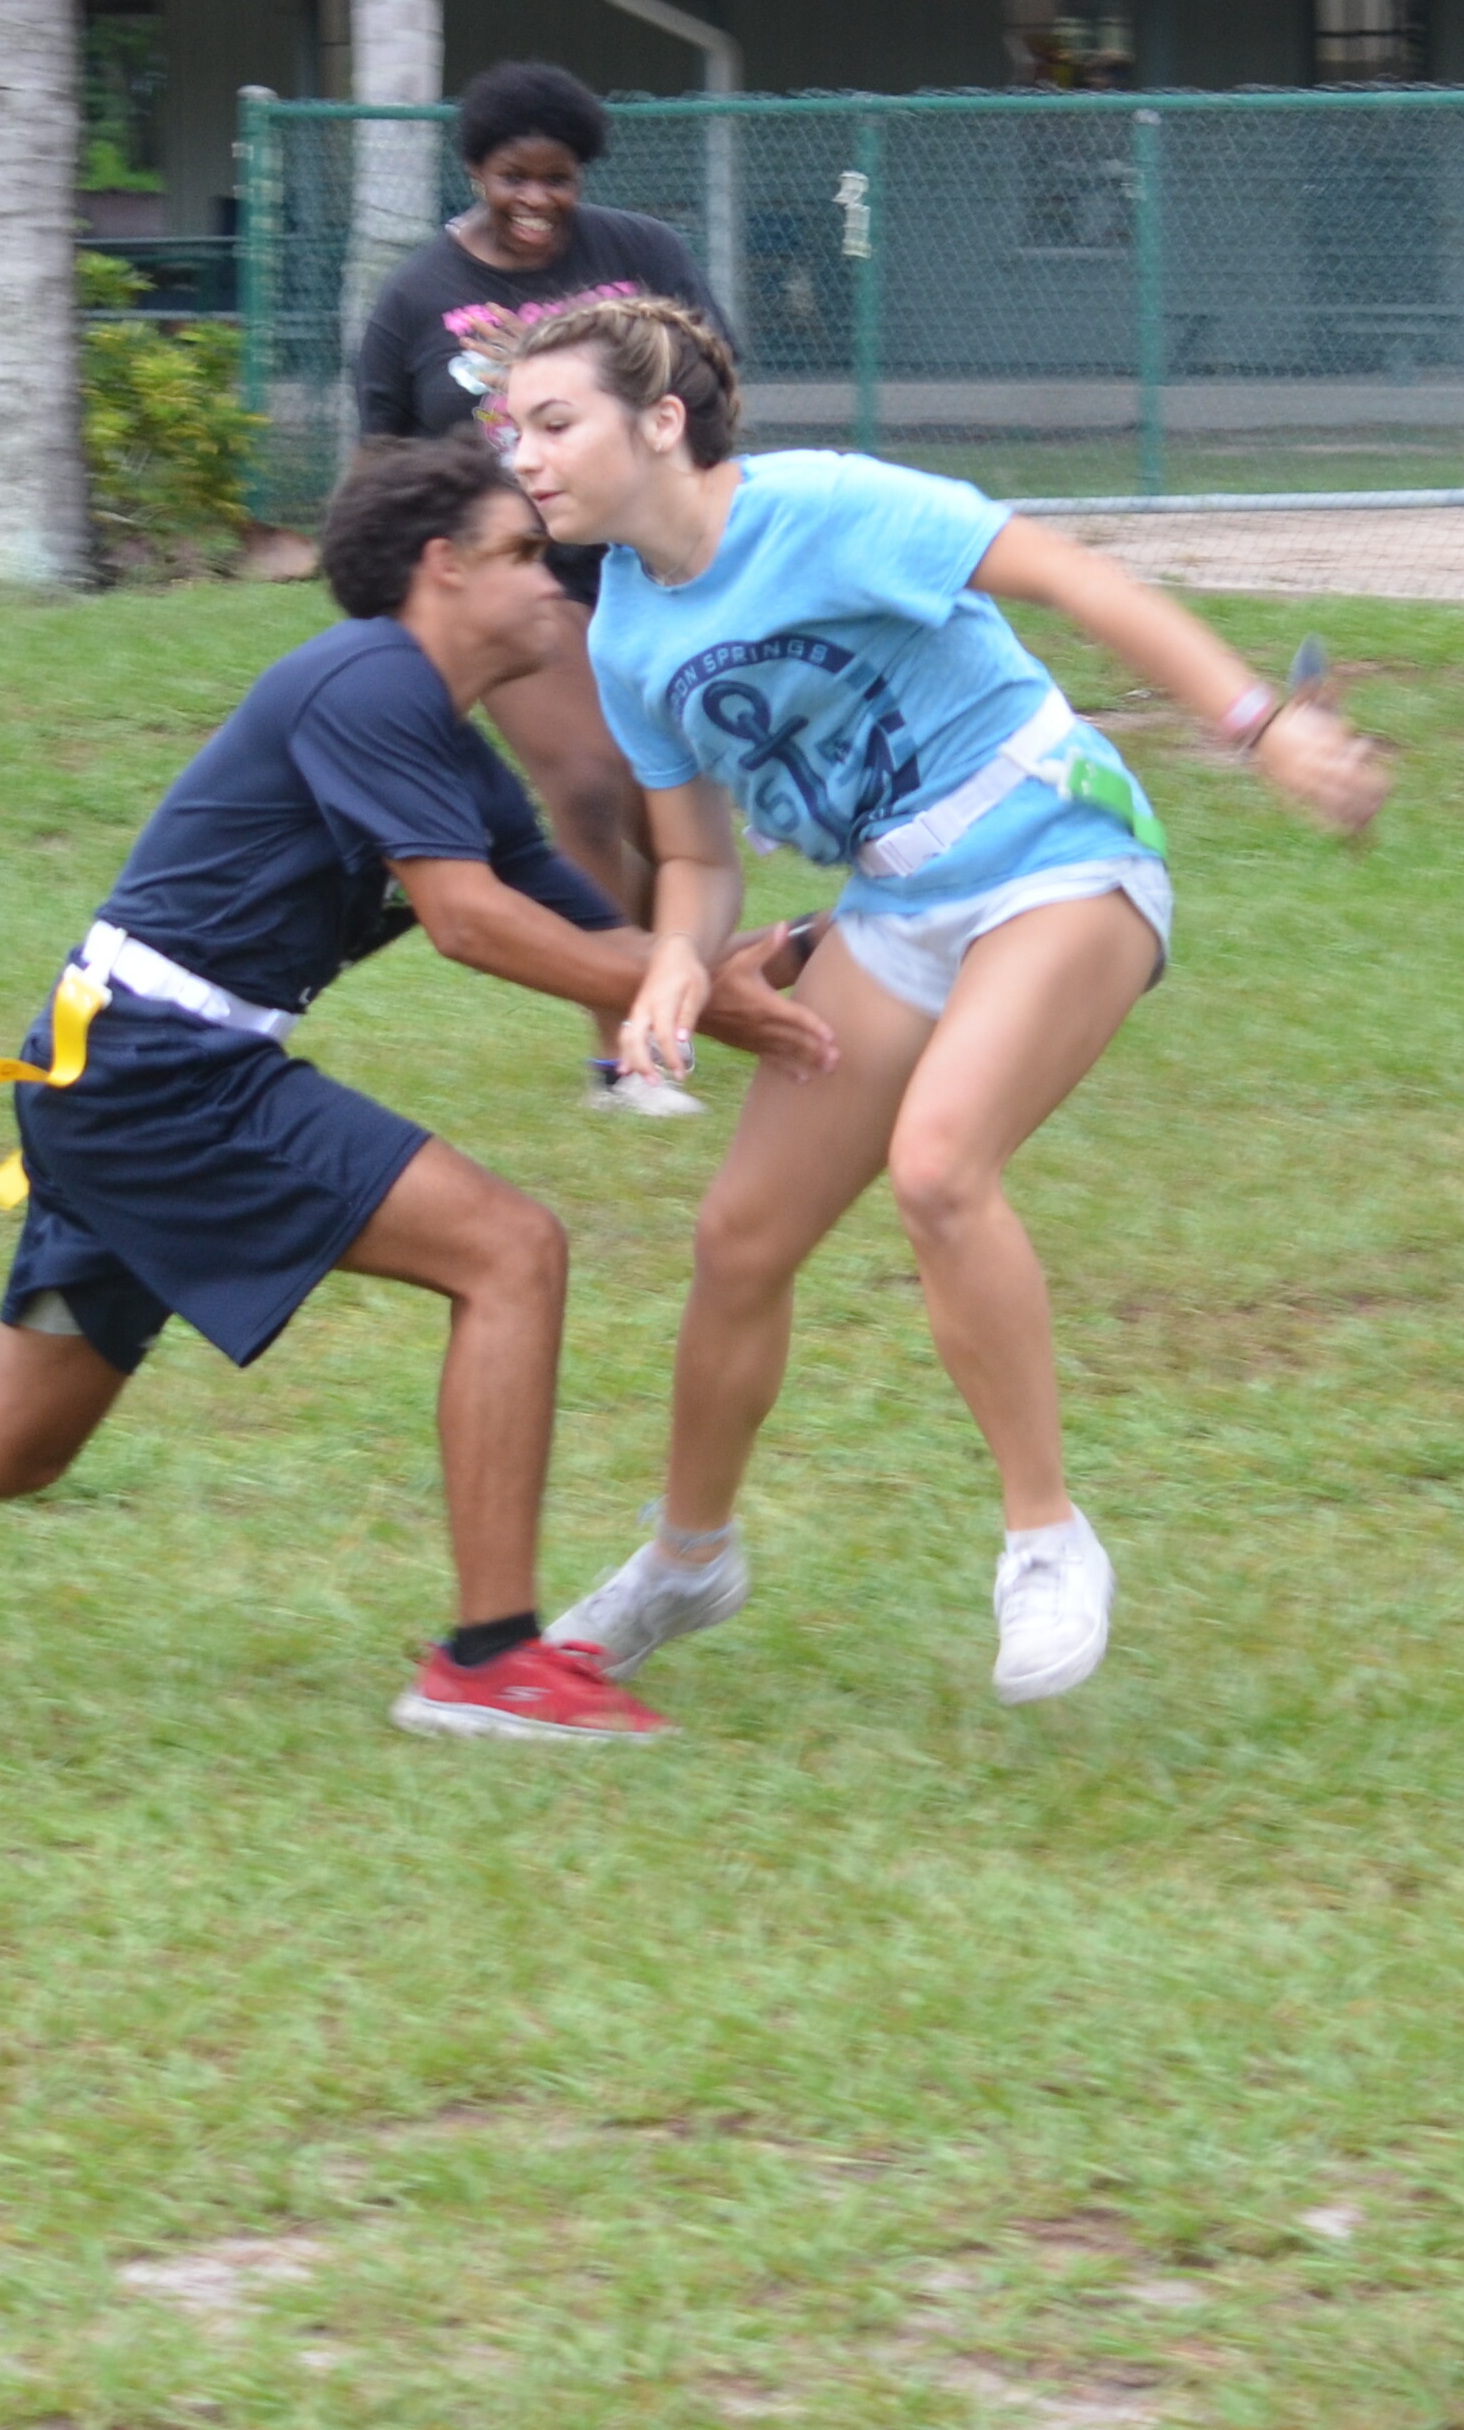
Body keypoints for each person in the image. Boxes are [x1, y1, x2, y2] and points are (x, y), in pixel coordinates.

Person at [0, 438, 836, 1746]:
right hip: (160, 1073)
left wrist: (808, 952)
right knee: (509, 1249)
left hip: (117, 1074)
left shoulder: (448, 750)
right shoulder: (367, 681)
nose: (558, 584)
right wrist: (700, 993)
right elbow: (471, 924)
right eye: (525, 555)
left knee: (9, 1442)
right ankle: (486, 1664)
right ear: (442, 565)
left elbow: (622, 953)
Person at [485, 295, 1391, 1705]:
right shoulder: (626, 636)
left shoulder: (825, 507)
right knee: (738, 1238)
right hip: (895, 906)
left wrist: (1260, 730)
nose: (523, 458)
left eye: (553, 424)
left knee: (939, 1167)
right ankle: (687, 1559)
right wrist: (672, 959)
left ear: (659, 423)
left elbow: (1077, 579)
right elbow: (698, 858)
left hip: (1055, 844)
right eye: (511, 432)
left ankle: (1046, 1540)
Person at [350, 59, 729, 1115]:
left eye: (557, 178)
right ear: (475, 170)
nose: (536, 200)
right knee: (588, 788)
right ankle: (623, 1056)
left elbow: (707, 385)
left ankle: (676, 994)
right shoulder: (415, 296)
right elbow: (382, 456)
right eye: (513, 177)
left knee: (669, 819)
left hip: (649, 561)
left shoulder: (641, 254)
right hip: (513, 575)